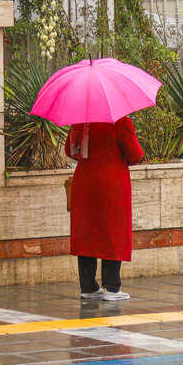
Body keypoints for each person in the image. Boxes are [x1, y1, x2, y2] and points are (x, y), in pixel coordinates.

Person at [64, 116, 144, 301]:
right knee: (113, 231)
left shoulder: (80, 119)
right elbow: (135, 155)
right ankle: (112, 287)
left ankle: (88, 286)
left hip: (84, 182)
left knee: (85, 232)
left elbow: (71, 150)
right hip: (112, 183)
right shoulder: (120, 121)